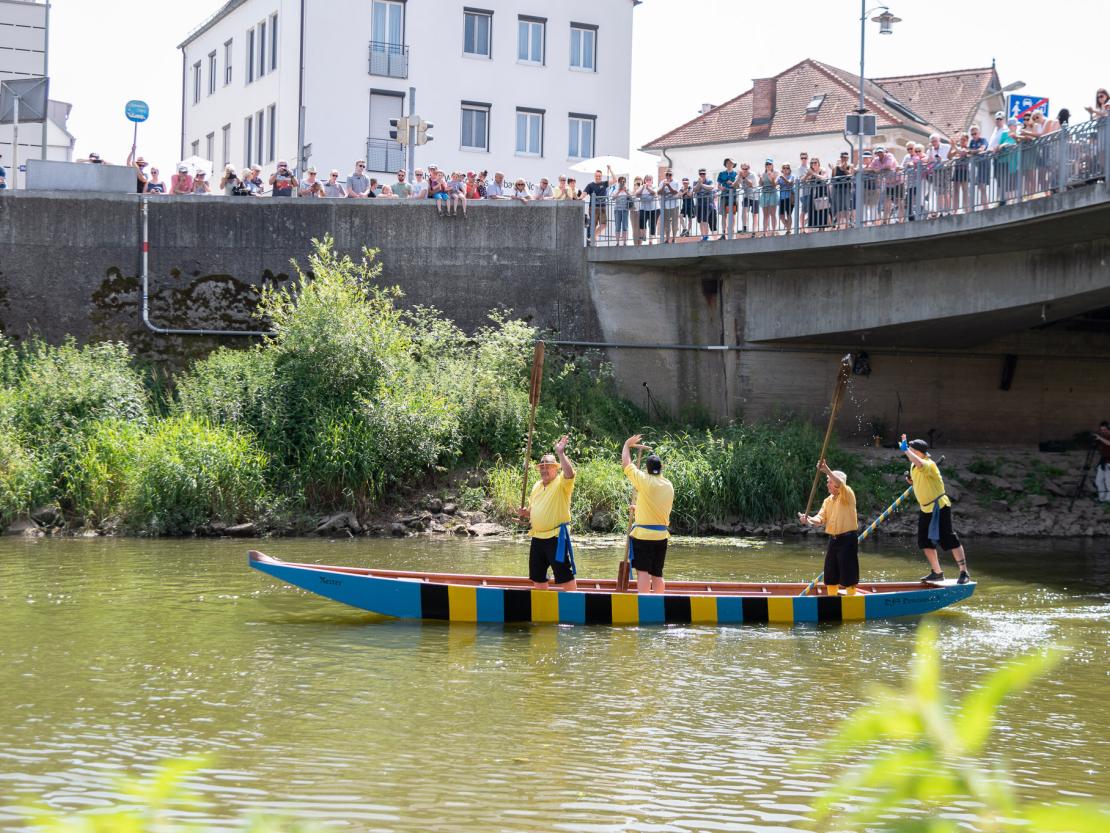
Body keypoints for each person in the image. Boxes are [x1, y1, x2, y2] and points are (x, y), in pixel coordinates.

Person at [901, 434, 970, 584]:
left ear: (918, 452)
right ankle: (937, 572)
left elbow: (920, 464)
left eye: (912, 450)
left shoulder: (928, 464)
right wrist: (912, 482)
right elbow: (920, 476)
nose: (909, 453)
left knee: (949, 538)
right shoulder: (913, 465)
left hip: (940, 506)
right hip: (925, 509)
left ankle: (964, 572)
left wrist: (906, 450)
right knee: (924, 541)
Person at [516, 435, 577, 590]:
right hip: (537, 537)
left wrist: (561, 453)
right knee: (537, 576)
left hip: (556, 536)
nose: (544, 469)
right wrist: (526, 513)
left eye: (547, 467)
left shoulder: (562, 483)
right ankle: (542, 608)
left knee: (564, 575)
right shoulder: (536, 485)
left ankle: (573, 606)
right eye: (542, 467)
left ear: (555, 468)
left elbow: (570, 473)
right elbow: (534, 510)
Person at [798, 459, 859, 596]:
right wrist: (808, 519)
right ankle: (832, 597)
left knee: (848, 571)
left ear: (837, 485)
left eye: (830, 482)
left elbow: (840, 483)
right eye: (828, 481)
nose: (828, 484)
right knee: (831, 571)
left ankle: (851, 597)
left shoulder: (847, 494)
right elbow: (820, 519)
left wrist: (827, 470)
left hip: (848, 539)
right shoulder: (827, 501)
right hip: (834, 540)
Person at [622, 434, 674, 594]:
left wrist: (626, 445)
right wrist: (638, 508)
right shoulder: (668, 485)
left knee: (643, 572)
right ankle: (659, 601)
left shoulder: (644, 480)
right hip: (661, 536)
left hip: (644, 536)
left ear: (647, 469)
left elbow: (627, 464)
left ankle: (644, 602)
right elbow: (657, 508)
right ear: (662, 467)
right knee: (657, 573)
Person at [583, 167, 612, 240]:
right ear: (594, 176)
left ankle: (593, 236)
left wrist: (610, 170)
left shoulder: (604, 183)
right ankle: (593, 241)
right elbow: (584, 193)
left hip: (602, 207)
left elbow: (615, 180)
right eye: (597, 176)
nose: (598, 177)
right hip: (593, 207)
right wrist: (579, 198)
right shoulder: (590, 185)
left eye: (599, 176)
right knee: (593, 225)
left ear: (601, 176)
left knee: (604, 224)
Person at [716, 158, 738, 240]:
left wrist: (732, 184)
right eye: (728, 163)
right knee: (724, 215)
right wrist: (722, 188)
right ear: (726, 164)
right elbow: (718, 185)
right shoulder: (721, 173)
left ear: (733, 165)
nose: (729, 164)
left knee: (732, 215)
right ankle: (723, 233)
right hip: (724, 196)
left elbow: (738, 185)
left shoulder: (736, 173)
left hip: (733, 196)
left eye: (731, 163)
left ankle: (732, 232)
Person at [657, 170, 681, 243]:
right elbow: (658, 192)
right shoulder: (662, 182)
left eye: (670, 175)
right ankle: (667, 238)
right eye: (667, 175)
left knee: (674, 222)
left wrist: (668, 186)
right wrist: (664, 186)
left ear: (672, 175)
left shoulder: (676, 182)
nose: (668, 176)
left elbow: (675, 192)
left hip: (674, 205)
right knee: (666, 223)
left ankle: (674, 238)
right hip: (665, 206)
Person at [1095, 421, 1110, 502]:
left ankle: (1109, 500)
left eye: (1104, 430)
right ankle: (1102, 498)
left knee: (1109, 482)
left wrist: (1100, 438)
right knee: (1098, 481)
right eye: (1101, 430)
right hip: (1103, 461)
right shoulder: (1102, 437)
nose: (1103, 431)